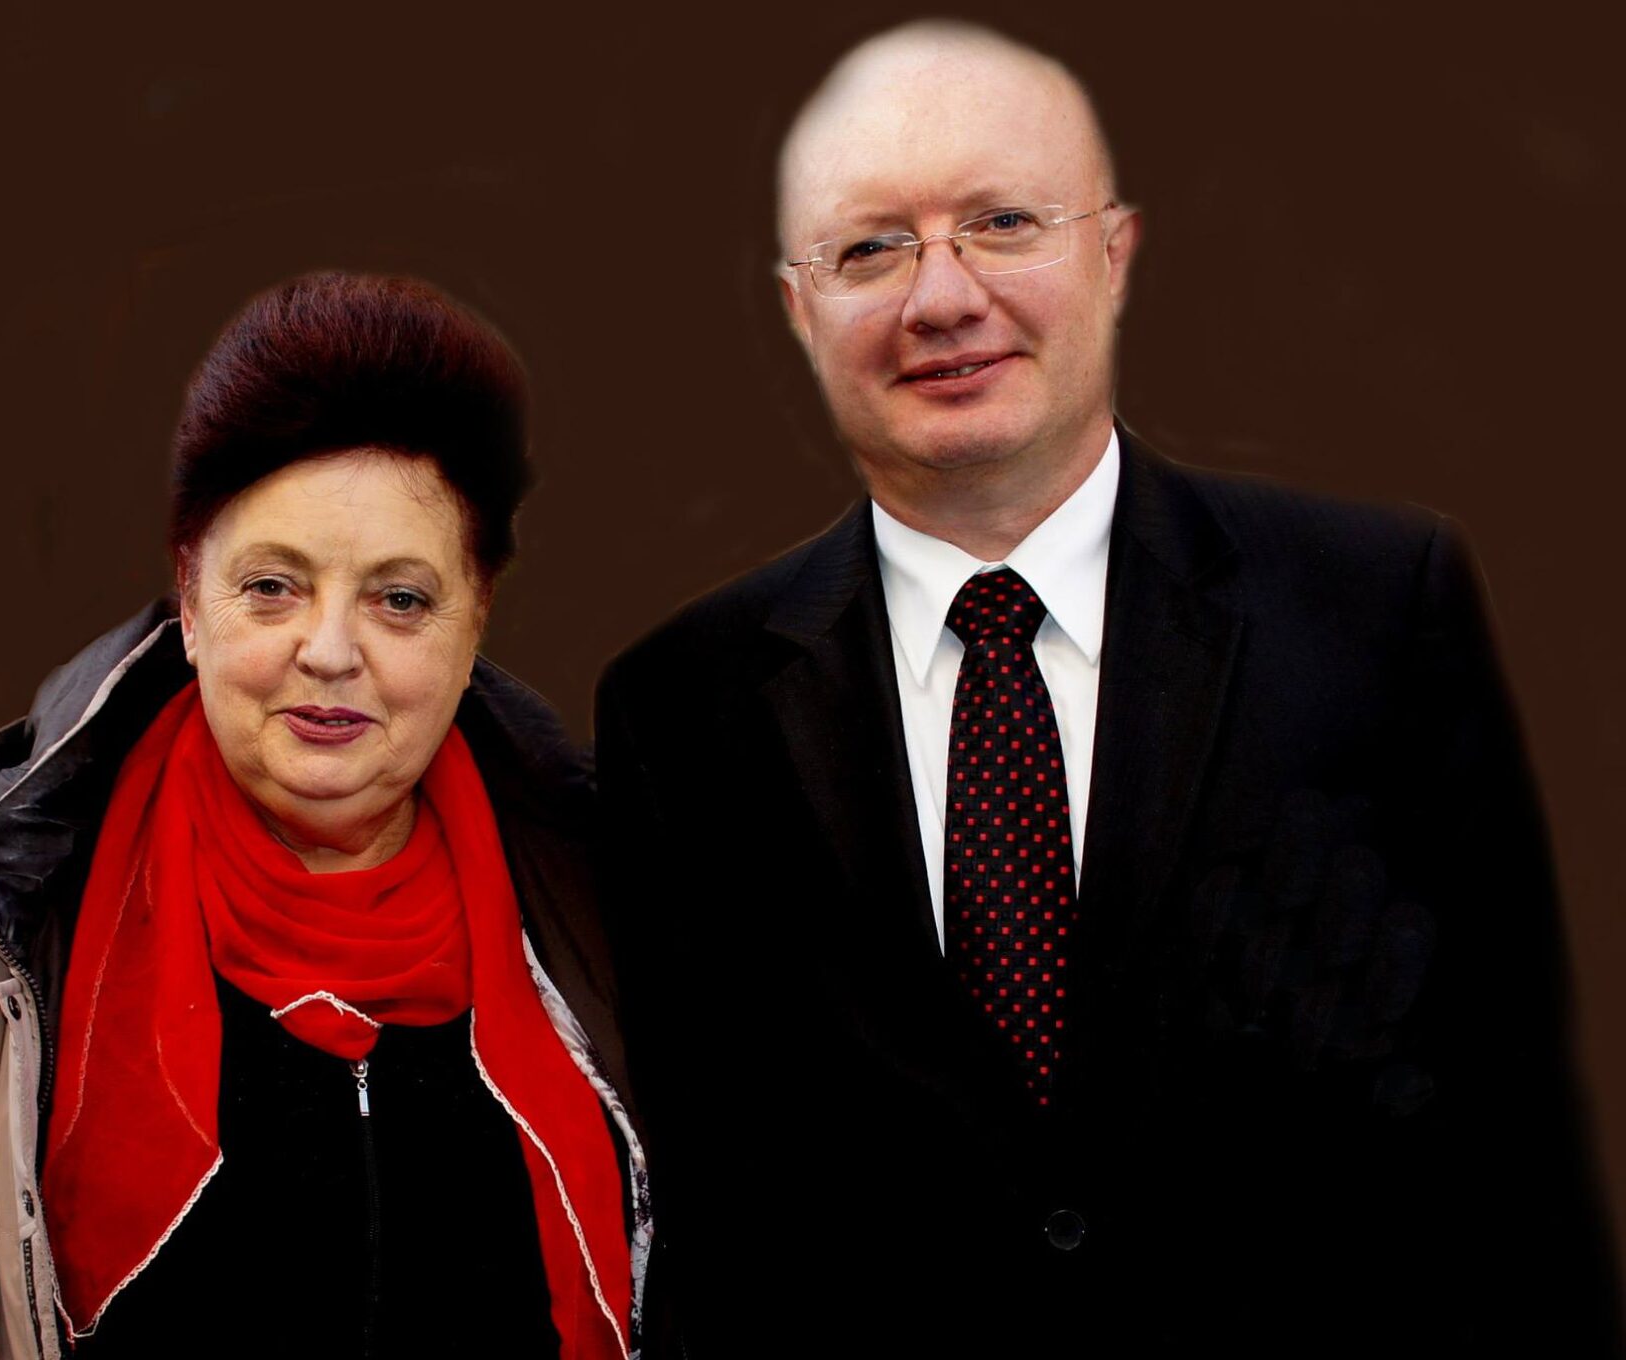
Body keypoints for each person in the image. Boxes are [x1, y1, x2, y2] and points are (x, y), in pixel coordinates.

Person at [595, 21, 1619, 1356]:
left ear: (1116, 254)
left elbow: (1510, 1141)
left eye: (1002, 223)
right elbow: (714, 1225)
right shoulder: (684, 708)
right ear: (798, 308)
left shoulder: (1376, 611)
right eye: (871, 249)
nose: (941, 298)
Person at [0, 273, 646, 1359]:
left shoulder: (617, 895)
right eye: (272, 586)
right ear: (189, 595)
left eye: (400, 598)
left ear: (476, 615)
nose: (329, 651)